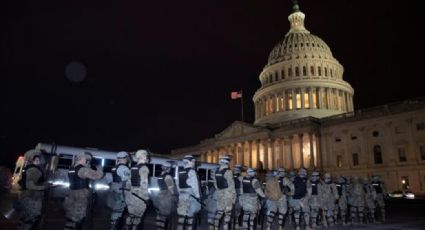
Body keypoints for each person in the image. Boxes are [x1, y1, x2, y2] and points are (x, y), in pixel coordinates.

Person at [64, 152, 104, 230]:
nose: (87, 161)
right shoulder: (81, 169)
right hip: (80, 196)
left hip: (72, 194)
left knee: (70, 217)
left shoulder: (72, 168)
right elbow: (97, 176)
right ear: (82, 159)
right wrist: (100, 168)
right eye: (86, 159)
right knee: (78, 218)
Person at [17, 149, 48, 230]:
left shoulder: (27, 168)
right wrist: (43, 187)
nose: (40, 161)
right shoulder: (34, 170)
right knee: (31, 219)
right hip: (32, 197)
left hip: (25, 196)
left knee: (23, 219)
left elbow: (21, 182)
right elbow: (29, 185)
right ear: (32, 160)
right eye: (37, 159)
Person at [124, 149, 150, 230]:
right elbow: (144, 184)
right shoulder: (144, 168)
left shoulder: (132, 168)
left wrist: (128, 195)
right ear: (143, 157)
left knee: (131, 215)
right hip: (140, 196)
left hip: (131, 194)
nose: (147, 157)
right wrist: (146, 198)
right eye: (146, 156)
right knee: (137, 218)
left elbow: (128, 183)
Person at [209, 155, 236, 230]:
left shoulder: (216, 172)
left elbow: (215, 184)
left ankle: (215, 227)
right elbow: (231, 185)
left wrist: (219, 191)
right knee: (227, 214)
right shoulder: (228, 172)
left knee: (219, 212)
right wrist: (234, 197)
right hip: (228, 195)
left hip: (220, 194)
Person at [107, 151, 131, 230]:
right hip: (121, 193)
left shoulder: (115, 167)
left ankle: (113, 226)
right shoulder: (124, 168)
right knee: (118, 213)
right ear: (125, 158)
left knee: (115, 211)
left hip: (115, 191)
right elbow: (127, 181)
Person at [177, 155, 201, 230]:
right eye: (193, 161)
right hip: (191, 197)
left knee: (181, 218)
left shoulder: (180, 171)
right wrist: (198, 196)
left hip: (182, 196)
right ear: (190, 162)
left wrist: (180, 194)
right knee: (190, 218)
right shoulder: (192, 171)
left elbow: (178, 185)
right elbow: (195, 185)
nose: (194, 163)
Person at [152, 161, 177, 230]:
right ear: (168, 168)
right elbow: (170, 187)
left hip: (160, 195)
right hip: (167, 197)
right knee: (166, 215)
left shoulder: (160, 175)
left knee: (160, 215)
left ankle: (159, 228)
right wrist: (174, 195)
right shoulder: (168, 176)